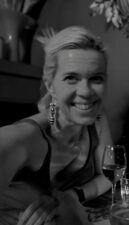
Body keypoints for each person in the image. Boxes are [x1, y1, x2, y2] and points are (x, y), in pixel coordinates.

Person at [0, 26, 113, 225]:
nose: (86, 92)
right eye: (71, 78)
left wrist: (69, 196)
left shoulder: (97, 117)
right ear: (50, 84)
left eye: (96, 78)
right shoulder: (24, 136)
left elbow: (109, 176)